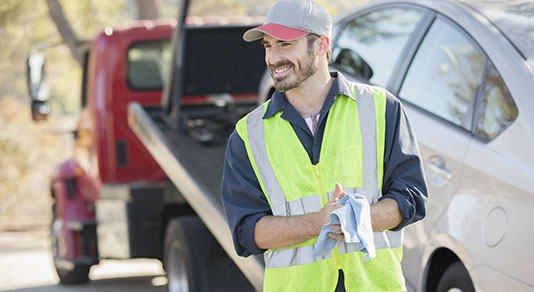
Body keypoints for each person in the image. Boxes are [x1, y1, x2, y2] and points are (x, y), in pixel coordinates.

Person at [221, 0, 427, 291]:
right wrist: (319, 222)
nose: (273, 58)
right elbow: (246, 232)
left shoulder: (381, 108)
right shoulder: (248, 135)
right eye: (268, 46)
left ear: (321, 45)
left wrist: (358, 218)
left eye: (285, 44)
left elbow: (411, 201)